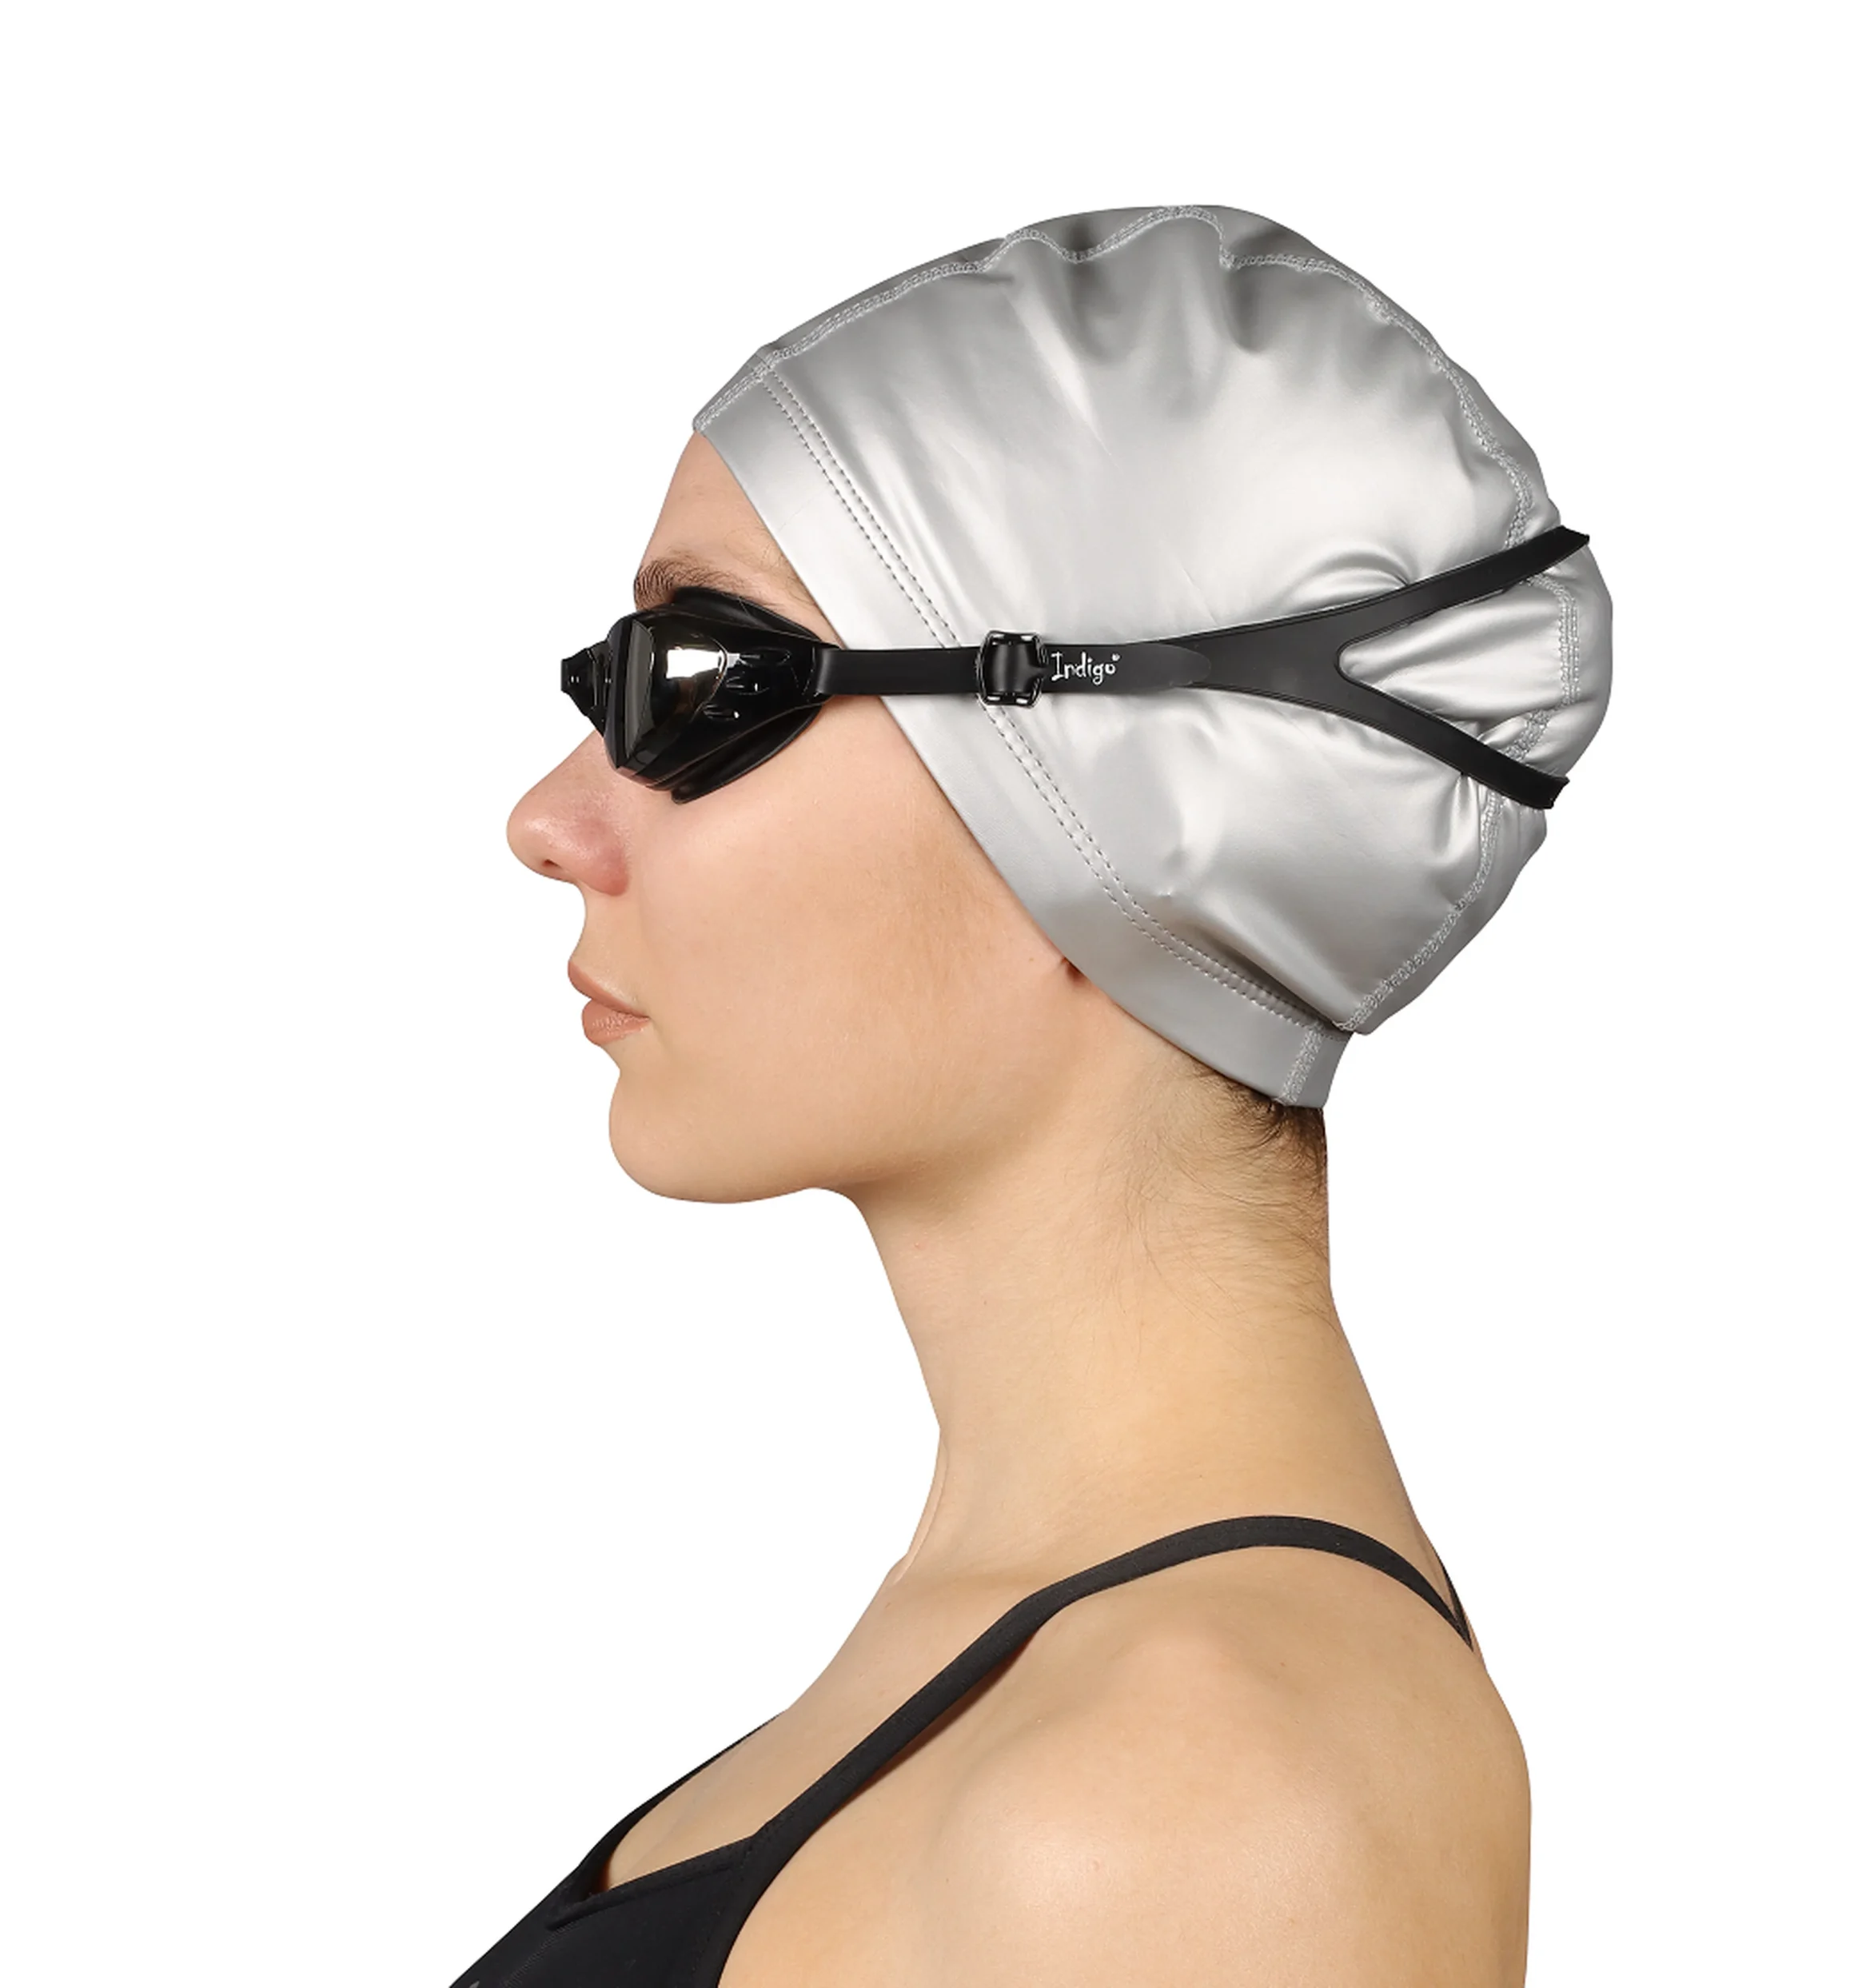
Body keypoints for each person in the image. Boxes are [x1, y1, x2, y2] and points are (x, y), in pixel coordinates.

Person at [472, 204, 1612, 1988]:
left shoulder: (1195, 1799)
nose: (550, 819)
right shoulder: (1037, 1670)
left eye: (703, 683)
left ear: (1132, 822)